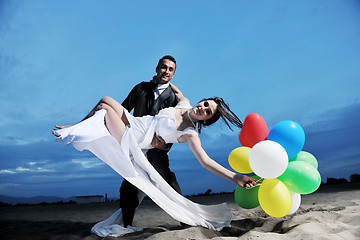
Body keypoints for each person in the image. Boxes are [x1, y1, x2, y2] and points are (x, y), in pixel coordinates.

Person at [53, 82, 260, 237]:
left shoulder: (189, 132)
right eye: (205, 104)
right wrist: (165, 79)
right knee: (105, 100)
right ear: (201, 100)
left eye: (207, 112)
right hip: (134, 122)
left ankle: (72, 130)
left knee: (105, 110)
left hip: (133, 137)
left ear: (206, 120)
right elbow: (176, 91)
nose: (203, 109)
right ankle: (75, 125)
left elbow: (205, 161)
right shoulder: (184, 103)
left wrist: (236, 177)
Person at [118, 55, 182, 228]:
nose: (166, 71)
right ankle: (126, 226)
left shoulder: (175, 99)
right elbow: (122, 111)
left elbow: (178, 128)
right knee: (128, 184)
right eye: (163, 67)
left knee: (167, 181)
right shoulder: (140, 88)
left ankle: (186, 221)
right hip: (136, 145)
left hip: (157, 149)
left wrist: (165, 145)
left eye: (170, 69)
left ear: (173, 74)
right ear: (156, 68)